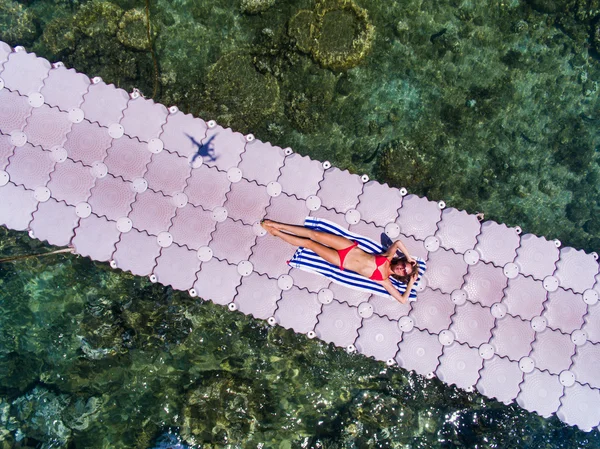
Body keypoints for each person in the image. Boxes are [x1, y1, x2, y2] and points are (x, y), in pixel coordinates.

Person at [261, 220, 419, 304]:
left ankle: (276, 233)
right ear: (401, 262)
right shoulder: (388, 257)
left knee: (309, 244)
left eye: (404, 272)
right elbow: (398, 242)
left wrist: (410, 282)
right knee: (313, 234)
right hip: (349, 248)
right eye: (404, 266)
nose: (401, 269)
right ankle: (279, 225)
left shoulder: (384, 280)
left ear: (401, 276)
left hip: (341, 261)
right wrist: (410, 258)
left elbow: (403, 300)